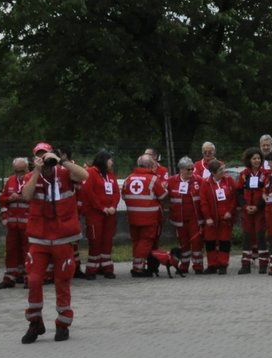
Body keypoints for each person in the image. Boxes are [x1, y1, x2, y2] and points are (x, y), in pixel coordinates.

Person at [18, 143, 88, 342]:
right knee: (33, 279)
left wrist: (62, 161)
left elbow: (85, 176)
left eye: (46, 155)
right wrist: (37, 170)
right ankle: (35, 322)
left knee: (63, 280)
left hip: (62, 236)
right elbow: (26, 195)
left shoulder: (65, 173)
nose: (44, 159)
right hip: (39, 237)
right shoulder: (30, 176)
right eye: (39, 156)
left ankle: (63, 322)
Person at [121, 155, 167, 277]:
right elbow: (162, 196)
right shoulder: (153, 179)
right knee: (145, 242)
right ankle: (138, 268)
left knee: (136, 241)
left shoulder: (129, 178)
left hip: (132, 217)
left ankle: (136, 264)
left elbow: (124, 196)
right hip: (149, 218)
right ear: (150, 166)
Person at [79, 151, 119, 279]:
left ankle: (106, 268)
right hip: (95, 214)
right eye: (110, 160)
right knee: (95, 240)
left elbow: (116, 193)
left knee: (107, 240)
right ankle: (91, 269)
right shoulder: (91, 172)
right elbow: (89, 193)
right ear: (103, 160)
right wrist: (102, 208)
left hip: (109, 214)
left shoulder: (110, 175)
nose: (111, 162)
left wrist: (113, 206)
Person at [0, 157, 32, 288]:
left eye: (22, 171)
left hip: (27, 224)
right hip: (12, 225)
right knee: (11, 251)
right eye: (17, 171)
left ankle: (28, 277)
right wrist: (9, 198)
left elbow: (37, 200)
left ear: (27, 169)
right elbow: (2, 199)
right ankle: (10, 278)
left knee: (28, 252)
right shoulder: (10, 180)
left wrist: (25, 198)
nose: (19, 174)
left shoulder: (32, 180)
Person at [197, 160, 236, 274]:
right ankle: (212, 265)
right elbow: (203, 202)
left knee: (224, 241)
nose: (223, 171)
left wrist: (230, 211)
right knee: (210, 242)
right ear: (213, 173)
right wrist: (207, 217)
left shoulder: (229, 181)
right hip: (212, 219)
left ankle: (223, 264)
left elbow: (233, 198)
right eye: (220, 170)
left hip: (225, 218)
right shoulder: (205, 183)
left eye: (223, 168)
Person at [166, 157, 201, 274]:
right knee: (184, 242)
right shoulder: (171, 181)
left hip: (195, 218)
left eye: (192, 169)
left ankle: (198, 265)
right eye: (188, 170)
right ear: (181, 170)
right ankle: (184, 265)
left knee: (196, 242)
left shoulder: (199, 180)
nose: (191, 171)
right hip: (179, 218)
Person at [237, 151, 267, 273]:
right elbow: (238, 192)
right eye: (254, 158)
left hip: (260, 210)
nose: (257, 161)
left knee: (260, 236)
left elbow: (266, 191)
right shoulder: (244, 174)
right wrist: (245, 206)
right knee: (247, 236)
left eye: (259, 158)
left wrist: (258, 206)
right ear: (249, 160)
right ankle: (245, 265)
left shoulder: (265, 174)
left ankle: (263, 264)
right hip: (247, 210)